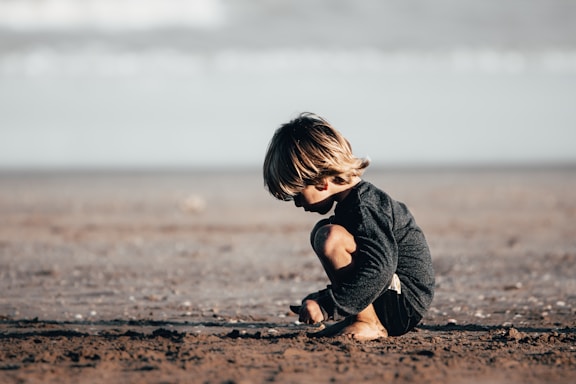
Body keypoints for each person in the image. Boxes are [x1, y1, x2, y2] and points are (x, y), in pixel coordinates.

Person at [262, 113, 435, 341]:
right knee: (322, 232)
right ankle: (362, 317)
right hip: (390, 294)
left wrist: (328, 304)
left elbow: (380, 268)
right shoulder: (351, 204)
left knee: (330, 238)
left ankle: (367, 322)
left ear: (321, 181)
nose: (296, 203)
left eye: (297, 193)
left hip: (404, 303)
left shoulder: (365, 207)